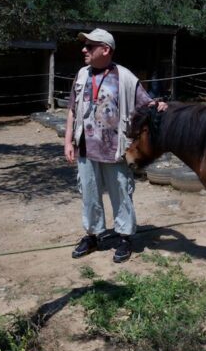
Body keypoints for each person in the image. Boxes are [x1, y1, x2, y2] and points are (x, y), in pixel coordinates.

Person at [64, 28, 163, 263]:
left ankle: (125, 238)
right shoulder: (81, 75)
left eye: (90, 46)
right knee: (89, 193)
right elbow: (72, 109)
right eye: (85, 46)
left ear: (105, 49)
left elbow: (146, 103)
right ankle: (93, 235)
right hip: (85, 147)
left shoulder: (125, 77)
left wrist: (158, 105)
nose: (84, 49)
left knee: (121, 193)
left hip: (115, 150)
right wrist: (68, 140)